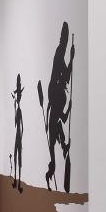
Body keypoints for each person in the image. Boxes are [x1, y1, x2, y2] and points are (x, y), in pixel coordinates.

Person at [44, 22, 74, 192]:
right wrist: (72, 58)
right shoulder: (59, 53)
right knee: (54, 155)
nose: (65, 41)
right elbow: (66, 75)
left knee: (58, 131)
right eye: (64, 38)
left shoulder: (59, 53)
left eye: (65, 38)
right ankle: (63, 148)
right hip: (54, 94)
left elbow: (65, 76)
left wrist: (71, 58)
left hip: (54, 96)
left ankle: (63, 147)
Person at [12, 74, 24, 193]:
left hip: (18, 137)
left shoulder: (19, 110)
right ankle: (16, 181)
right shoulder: (17, 108)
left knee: (18, 159)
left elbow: (21, 126)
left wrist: (20, 136)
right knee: (16, 158)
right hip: (17, 137)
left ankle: (18, 181)